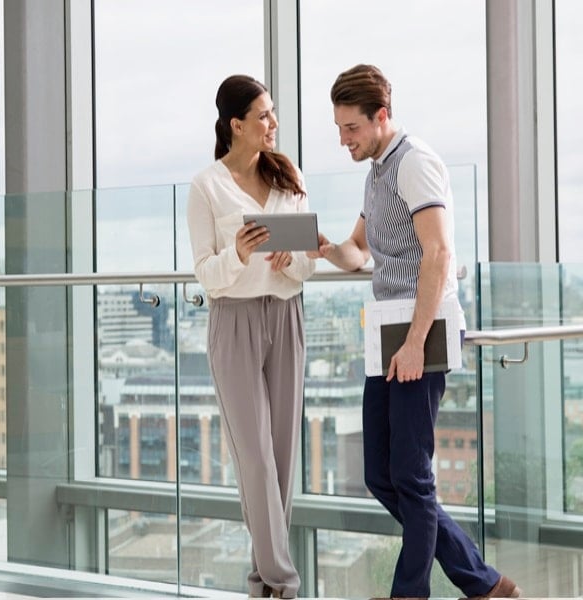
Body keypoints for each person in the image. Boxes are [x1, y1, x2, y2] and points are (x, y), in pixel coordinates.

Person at [311, 64, 522, 599]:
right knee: (382, 475)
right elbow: (359, 251)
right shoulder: (376, 172)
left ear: (381, 116)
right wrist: (327, 249)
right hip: (388, 328)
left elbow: (439, 253)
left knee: (411, 474)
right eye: (339, 128)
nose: (344, 139)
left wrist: (413, 343)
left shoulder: (415, 163)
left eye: (351, 128)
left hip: (420, 330)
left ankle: (411, 594)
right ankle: (484, 583)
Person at [186, 74, 315, 599]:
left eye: (273, 112)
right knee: (255, 458)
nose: (273, 123)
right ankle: (284, 583)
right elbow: (205, 274)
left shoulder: (288, 176)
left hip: (286, 316)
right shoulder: (206, 187)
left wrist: (292, 259)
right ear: (236, 125)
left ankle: (263, 581)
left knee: (281, 456)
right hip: (234, 321)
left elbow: (308, 263)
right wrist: (239, 253)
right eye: (263, 115)